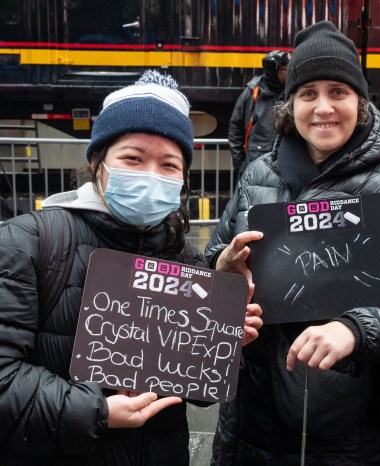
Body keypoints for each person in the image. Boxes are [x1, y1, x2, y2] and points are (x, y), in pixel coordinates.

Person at [0, 70, 262, 465]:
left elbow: (197, 392)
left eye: (169, 165)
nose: (150, 176)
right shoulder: (29, 243)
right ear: (97, 162)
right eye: (133, 158)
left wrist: (218, 346)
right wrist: (97, 413)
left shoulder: (182, 258)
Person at [205, 20, 380, 466]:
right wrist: (223, 271)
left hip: (362, 431)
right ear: (290, 104)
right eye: (308, 94)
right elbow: (211, 262)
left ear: (360, 102)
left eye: (338, 91)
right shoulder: (258, 176)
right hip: (257, 417)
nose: (323, 107)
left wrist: (353, 329)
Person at [228, 49, 290, 178]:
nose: (289, 73)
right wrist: (241, 164)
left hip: (284, 164)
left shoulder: (291, 92)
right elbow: (235, 129)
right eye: (285, 70)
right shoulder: (253, 93)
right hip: (254, 164)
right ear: (274, 71)